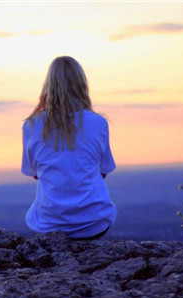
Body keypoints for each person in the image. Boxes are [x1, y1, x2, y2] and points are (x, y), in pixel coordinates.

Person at [21, 55, 117, 240]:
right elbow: (103, 171)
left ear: (49, 85)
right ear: (82, 84)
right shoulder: (98, 123)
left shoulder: (31, 125)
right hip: (94, 224)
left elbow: (33, 172)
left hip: (48, 225)